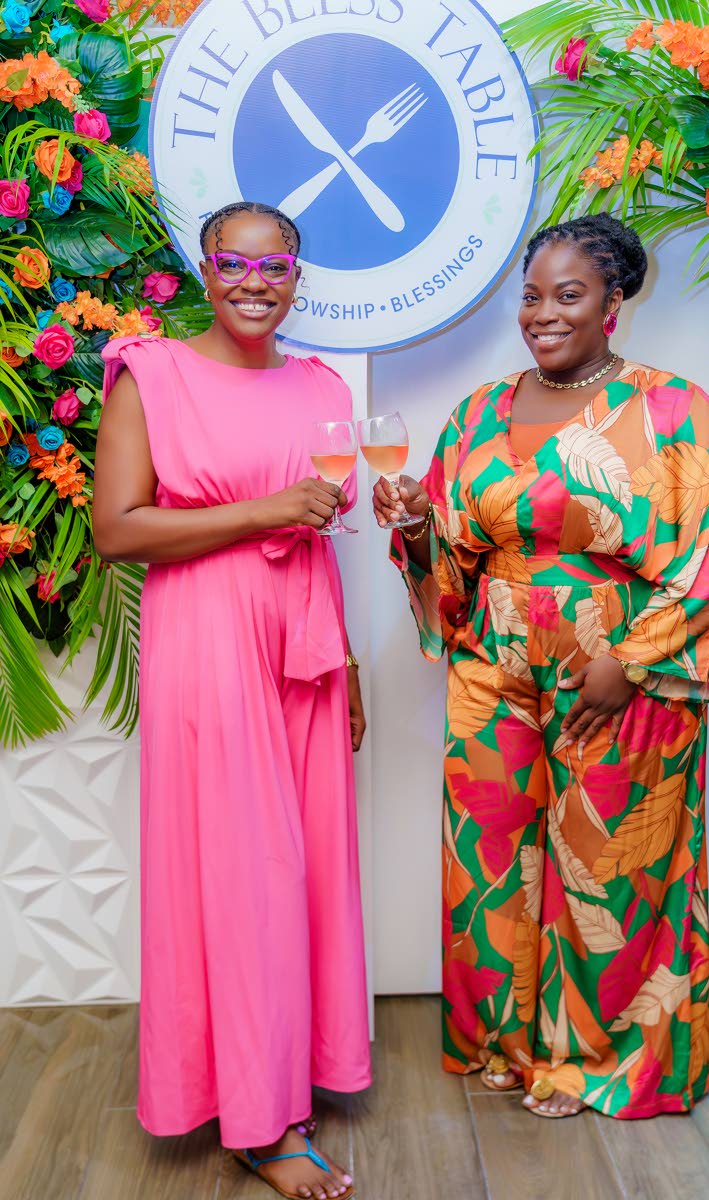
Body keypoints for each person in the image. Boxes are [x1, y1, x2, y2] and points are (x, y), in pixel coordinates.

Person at [372, 213, 709, 1120]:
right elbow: (450, 559)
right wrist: (416, 525)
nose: (543, 313)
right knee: (489, 859)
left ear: (613, 302)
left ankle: (592, 1060)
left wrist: (631, 661)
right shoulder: (478, 410)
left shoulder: (675, 408)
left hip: (618, 670)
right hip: (492, 664)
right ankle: (507, 1044)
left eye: (569, 294)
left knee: (607, 867)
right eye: (532, 296)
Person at [94, 201, 370, 1199]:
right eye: (232, 262)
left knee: (309, 867)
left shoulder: (322, 385)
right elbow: (117, 531)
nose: (255, 281)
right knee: (244, 871)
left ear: (297, 276)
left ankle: (292, 1070)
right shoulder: (153, 374)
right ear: (204, 271)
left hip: (306, 641)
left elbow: (322, 534)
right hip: (209, 641)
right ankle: (260, 1121)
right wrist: (260, 510)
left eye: (275, 265)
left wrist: (349, 664)